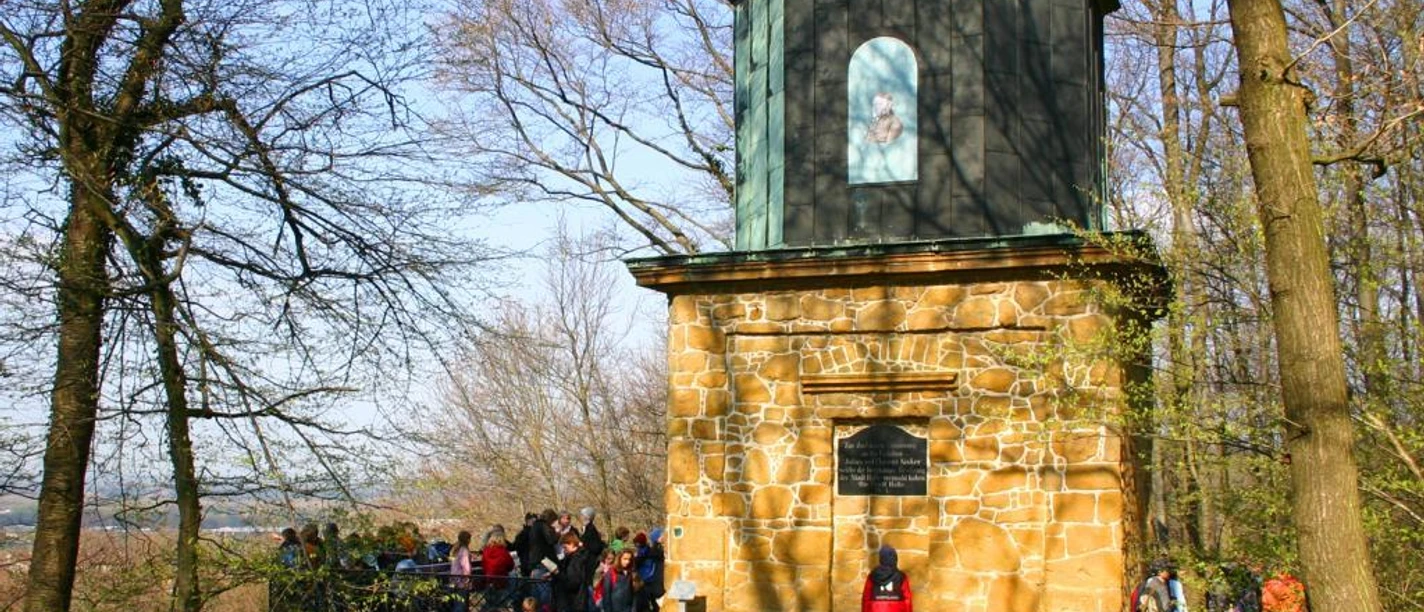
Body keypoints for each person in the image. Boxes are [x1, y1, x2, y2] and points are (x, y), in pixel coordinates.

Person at [861, 545, 912, 612]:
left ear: (881, 558)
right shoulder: (901, 576)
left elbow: (866, 598)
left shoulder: (872, 575)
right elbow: (907, 599)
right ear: (895, 558)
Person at [552, 532, 594, 612]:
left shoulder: (576, 560)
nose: (564, 550)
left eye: (565, 547)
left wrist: (557, 573)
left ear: (572, 544)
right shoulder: (572, 558)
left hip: (573, 602)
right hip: (573, 601)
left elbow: (573, 583)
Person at [634, 528, 666, 612]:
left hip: (651, 579)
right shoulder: (655, 549)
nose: (664, 536)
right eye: (662, 535)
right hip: (654, 579)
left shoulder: (650, 549)